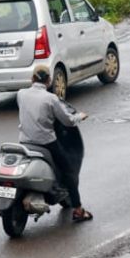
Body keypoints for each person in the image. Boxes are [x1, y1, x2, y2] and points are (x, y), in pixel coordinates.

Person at [16, 66, 91, 222]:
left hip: (25, 142)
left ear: (32, 79)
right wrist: (80, 116)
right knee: (69, 172)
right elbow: (67, 121)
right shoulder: (51, 99)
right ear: (49, 80)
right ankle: (78, 210)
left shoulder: (21, 94)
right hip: (46, 143)